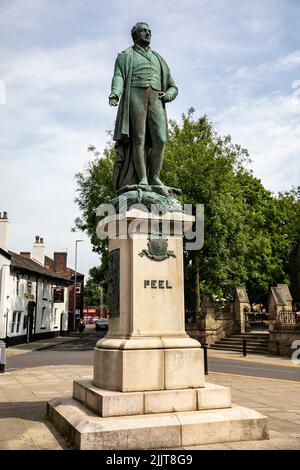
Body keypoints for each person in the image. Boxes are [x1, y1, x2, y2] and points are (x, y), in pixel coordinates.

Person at [109, 21, 178, 192]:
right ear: (135, 35)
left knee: (160, 139)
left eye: (149, 31)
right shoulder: (125, 56)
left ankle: (155, 177)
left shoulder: (159, 58)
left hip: (156, 98)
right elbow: (119, 76)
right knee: (138, 138)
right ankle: (143, 179)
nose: (148, 33)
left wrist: (169, 94)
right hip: (135, 95)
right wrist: (115, 93)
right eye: (143, 31)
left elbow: (173, 86)